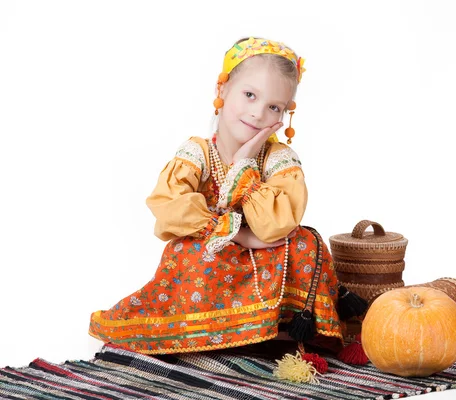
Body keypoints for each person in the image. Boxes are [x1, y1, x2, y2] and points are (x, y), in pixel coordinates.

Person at [88, 37, 365, 356]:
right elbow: (170, 207)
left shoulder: (277, 158)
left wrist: (245, 162)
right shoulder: (198, 152)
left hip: (266, 252)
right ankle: (211, 331)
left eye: (273, 106)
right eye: (249, 95)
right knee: (185, 253)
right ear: (222, 91)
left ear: (285, 113)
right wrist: (238, 235)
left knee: (307, 244)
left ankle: (281, 328)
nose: (258, 113)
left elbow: (277, 224)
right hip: (214, 249)